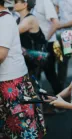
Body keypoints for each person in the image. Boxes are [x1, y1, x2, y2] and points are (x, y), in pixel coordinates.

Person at [0, 0, 45, 138]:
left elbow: (1, 54)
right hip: (9, 77)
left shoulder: (5, 20)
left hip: (11, 81)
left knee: (21, 129)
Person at [33, 0, 62, 95]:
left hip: (47, 43)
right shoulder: (33, 3)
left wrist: (45, 40)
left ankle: (61, 102)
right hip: (39, 44)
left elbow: (56, 23)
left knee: (50, 74)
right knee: (37, 74)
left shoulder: (45, 2)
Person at [14, 0, 47, 77]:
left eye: (16, 2)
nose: (14, 4)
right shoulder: (18, 20)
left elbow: (12, 33)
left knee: (33, 83)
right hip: (27, 58)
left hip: (34, 58)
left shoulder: (30, 19)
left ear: (25, 4)